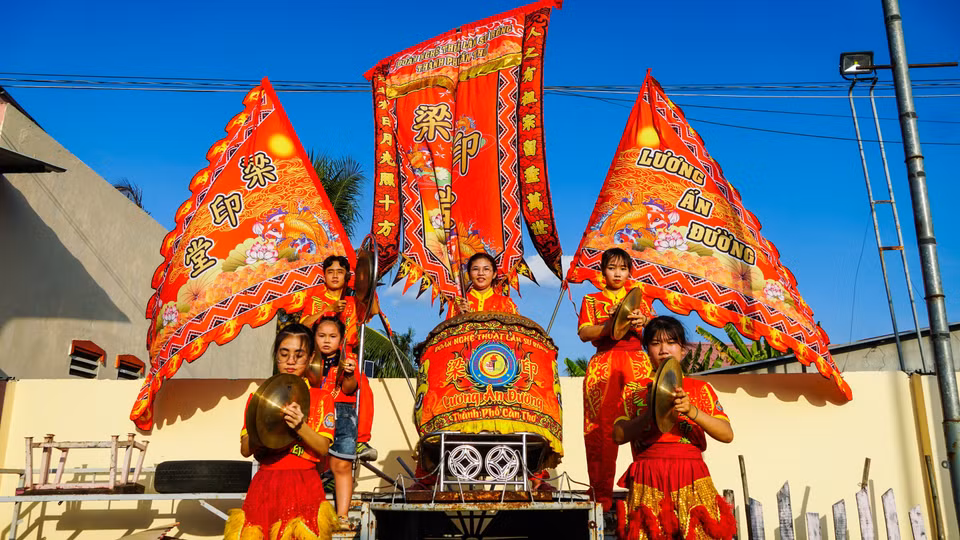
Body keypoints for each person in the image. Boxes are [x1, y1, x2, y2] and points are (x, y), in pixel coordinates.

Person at [613, 316, 736, 540]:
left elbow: (727, 434)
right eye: (655, 343)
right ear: (646, 350)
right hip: (648, 476)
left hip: (691, 475)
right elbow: (618, 435)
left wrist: (692, 411)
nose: (663, 349)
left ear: (682, 350)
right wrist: (649, 414)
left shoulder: (700, 389)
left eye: (671, 342)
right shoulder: (634, 390)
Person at [225, 324, 336, 540]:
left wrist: (300, 426)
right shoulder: (259, 398)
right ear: (276, 355)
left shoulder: (321, 398)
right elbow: (245, 450)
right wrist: (266, 425)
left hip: (304, 484)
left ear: (311, 358)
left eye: (299, 355)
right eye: (284, 354)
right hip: (265, 484)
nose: (291, 361)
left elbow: (323, 448)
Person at [577, 247, 655, 513]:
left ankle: (648, 492)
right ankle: (600, 496)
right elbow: (585, 333)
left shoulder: (641, 299)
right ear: (602, 271)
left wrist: (644, 320)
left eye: (623, 268)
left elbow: (655, 333)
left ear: (629, 272)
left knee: (645, 422)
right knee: (600, 429)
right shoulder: (591, 299)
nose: (617, 273)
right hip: (604, 363)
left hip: (637, 362)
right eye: (612, 268)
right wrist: (612, 325)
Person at [302, 255, 377, 462]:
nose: (335, 276)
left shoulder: (353, 301)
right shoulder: (315, 299)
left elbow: (373, 310)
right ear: (324, 275)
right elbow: (303, 326)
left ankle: (361, 440)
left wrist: (367, 283)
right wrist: (329, 309)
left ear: (347, 276)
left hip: (346, 354)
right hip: (317, 357)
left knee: (363, 387)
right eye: (330, 272)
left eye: (340, 272)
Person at [312, 316, 374, 530]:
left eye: (332, 336)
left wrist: (348, 373)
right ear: (314, 337)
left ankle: (342, 516)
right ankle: (313, 515)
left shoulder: (348, 360)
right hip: (316, 414)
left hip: (342, 415)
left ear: (341, 340)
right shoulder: (308, 360)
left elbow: (349, 389)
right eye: (321, 335)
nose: (326, 340)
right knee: (314, 465)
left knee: (342, 466)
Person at [446, 252, 518, 319]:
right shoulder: (458, 303)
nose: (480, 273)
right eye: (475, 269)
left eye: (486, 269)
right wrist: (459, 315)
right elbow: (447, 328)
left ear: (494, 274)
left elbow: (517, 327)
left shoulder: (506, 303)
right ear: (469, 275)